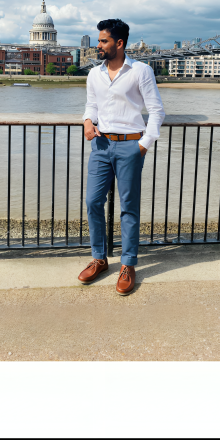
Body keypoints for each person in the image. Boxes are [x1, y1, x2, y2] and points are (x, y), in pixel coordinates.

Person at [78, 19, 166, 295]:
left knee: (129, 207)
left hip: (130, 146)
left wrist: (143, 145)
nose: (98, 45)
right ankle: (99, 259)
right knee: (93, 201)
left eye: (103, 41)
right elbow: (91, 105)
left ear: (119, 43)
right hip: (101, 145)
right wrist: (88, 121)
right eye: (98, 40)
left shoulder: (141, 71)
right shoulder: (95, 74)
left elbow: (156, 110)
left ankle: (128, 265)